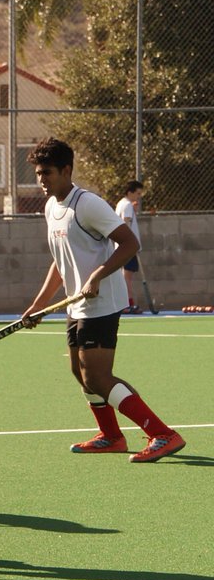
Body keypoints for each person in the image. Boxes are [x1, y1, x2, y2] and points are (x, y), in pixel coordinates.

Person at [20, 138, 184, 463]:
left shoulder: (88, 204)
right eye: (38, 173)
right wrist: (38, 303)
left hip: (102, 302)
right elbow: (60, 260)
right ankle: (111, 436)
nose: (41, 180)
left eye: (47, 173)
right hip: (76, 303)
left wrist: (98, 275)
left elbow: (129, 243)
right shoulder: (51, 207)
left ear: (66, 170)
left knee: (97, 376)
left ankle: (162, 433)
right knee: (79, 373)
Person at [115, 180, 144, 314]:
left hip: (124, 247)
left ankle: (125, 304)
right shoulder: (126, 206)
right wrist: (129, 245)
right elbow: (126, 225)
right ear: (130, 192)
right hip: (128, 247)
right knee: (127, 277)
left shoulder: (122, 204)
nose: (139, 196)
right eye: (137, 193)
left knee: (125, 276)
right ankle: (127, 304)